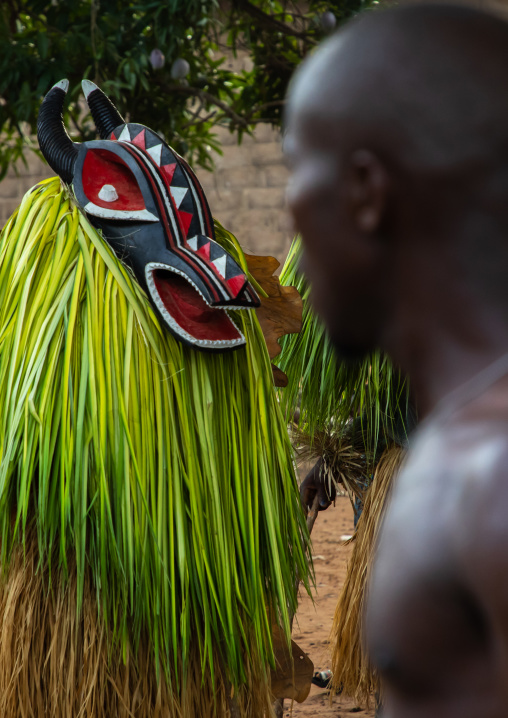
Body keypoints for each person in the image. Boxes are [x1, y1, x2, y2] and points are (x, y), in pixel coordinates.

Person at [284, 3, 508, 716]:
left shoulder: (489, 486)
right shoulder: (464, 454)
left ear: (366, 193)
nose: (291, 220)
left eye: (297, 171)